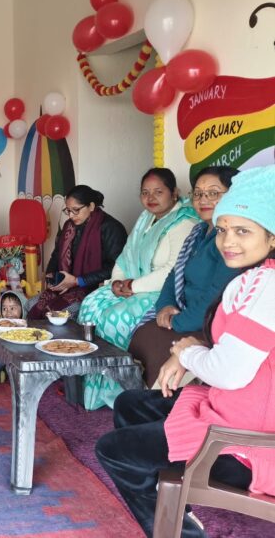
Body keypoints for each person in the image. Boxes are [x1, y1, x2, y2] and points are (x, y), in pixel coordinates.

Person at [95, 165, 275, 538]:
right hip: (234, 409)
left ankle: (180, 530)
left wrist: (188, 351)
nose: (228, 241)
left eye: (243, 231)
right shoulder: (256, 276)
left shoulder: (267, 288)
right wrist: (186, 351)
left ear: (271, 238)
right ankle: (173, 502)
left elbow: (227, 372)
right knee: (132, 403)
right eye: (225, 229)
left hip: (247, 443)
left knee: (114, 450)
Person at [79, 168, 198, 409]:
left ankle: (118, 394)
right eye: (145, 192)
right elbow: (126, 256)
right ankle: (92, 388)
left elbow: (172, 270)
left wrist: (133, 285)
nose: (151, 198)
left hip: (161, 291)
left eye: (158, 192)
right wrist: (117, 282)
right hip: (133, 286)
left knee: (113, 318)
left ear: (174, 193)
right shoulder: (146, 218)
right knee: (90, 305)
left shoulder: (184, 222)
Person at [129, 166, 241, 387]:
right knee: (145, 333)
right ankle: (144, 400)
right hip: (184, 314)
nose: (203, 199)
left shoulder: (233, 239)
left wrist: (178, 321)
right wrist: (165, 306)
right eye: (198, 193)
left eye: (213, 193)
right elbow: (174, 274)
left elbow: (216, 295)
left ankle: (164, 406)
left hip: (209, 322)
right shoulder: (198, 232)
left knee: (156, 341)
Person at [27, 185, 128, 320]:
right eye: (68, 210)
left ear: (91, 206)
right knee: (30, 304)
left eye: (76, 210)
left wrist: (77, 281)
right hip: (67, 286)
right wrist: (51, 277)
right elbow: (57, 254)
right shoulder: (69, 226)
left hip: (93, 289)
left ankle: (53, 341)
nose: (70, 216)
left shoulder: (112, 228)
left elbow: (115, 268)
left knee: (61, 314)